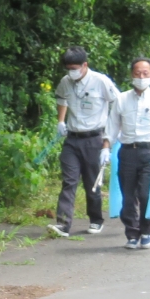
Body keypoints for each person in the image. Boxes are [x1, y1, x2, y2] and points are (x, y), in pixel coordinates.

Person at [47, 46, 121, 237]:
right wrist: (61, 121)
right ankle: (63, 224)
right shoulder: (65, 81)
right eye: (68, 68)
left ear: (84, 65)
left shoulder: (101, 81)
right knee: (69, 181)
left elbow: (118, 104)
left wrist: (111, 137)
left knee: (92, 183)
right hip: (72, 139)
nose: (71, 72)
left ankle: (96, 220)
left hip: (94, 138)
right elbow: (61, 99)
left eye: (74, 68)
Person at [108, 57, 150, 250]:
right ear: (132, 75)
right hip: (128, 151)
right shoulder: (122, 99)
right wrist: (106, 148)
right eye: (137, 73)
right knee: (128, 195)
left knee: (146, 194)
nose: (141, 77)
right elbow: (112, 126)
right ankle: (132, 233)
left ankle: (146, 231)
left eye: (145, 73)